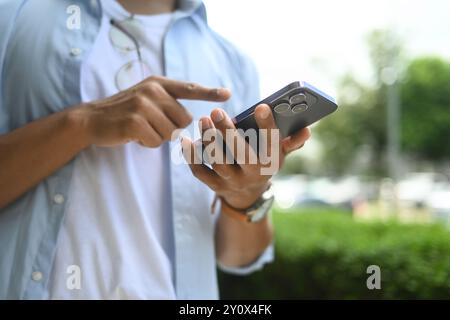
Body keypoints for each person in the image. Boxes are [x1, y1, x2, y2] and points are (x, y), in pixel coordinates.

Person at [0, 0, 310, 299]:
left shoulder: (233, 62)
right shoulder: (12, 18)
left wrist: (246, 195)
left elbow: (238, 257)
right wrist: (82, 123)